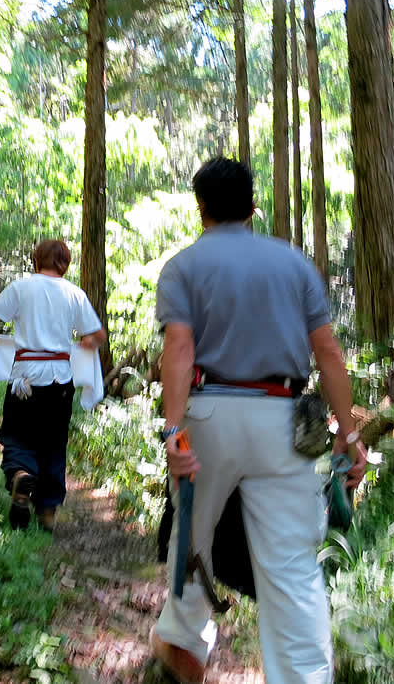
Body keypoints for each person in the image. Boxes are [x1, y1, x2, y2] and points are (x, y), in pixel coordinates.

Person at [150, 156, 366, 684]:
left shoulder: (183, 266)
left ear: (200, 208)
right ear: (252, 205)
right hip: (285, 420)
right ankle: (304, 677)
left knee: (194, 535)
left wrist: (173, 429)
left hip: (209, 414)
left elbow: (178, 348)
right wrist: (349, 433)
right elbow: (329, 354)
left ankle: (183, 648)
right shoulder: (295, 265)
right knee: (292, 562)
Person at [0, 239, 106, 532]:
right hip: (60, 378)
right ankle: (47, 511)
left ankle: (21, 474)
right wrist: (84, 343)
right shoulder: (75, 294)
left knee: (18, 435)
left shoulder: (21, 288)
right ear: (65, 263)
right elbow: (97, 335)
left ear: (37, 259)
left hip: (25, 376)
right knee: (53, 442)